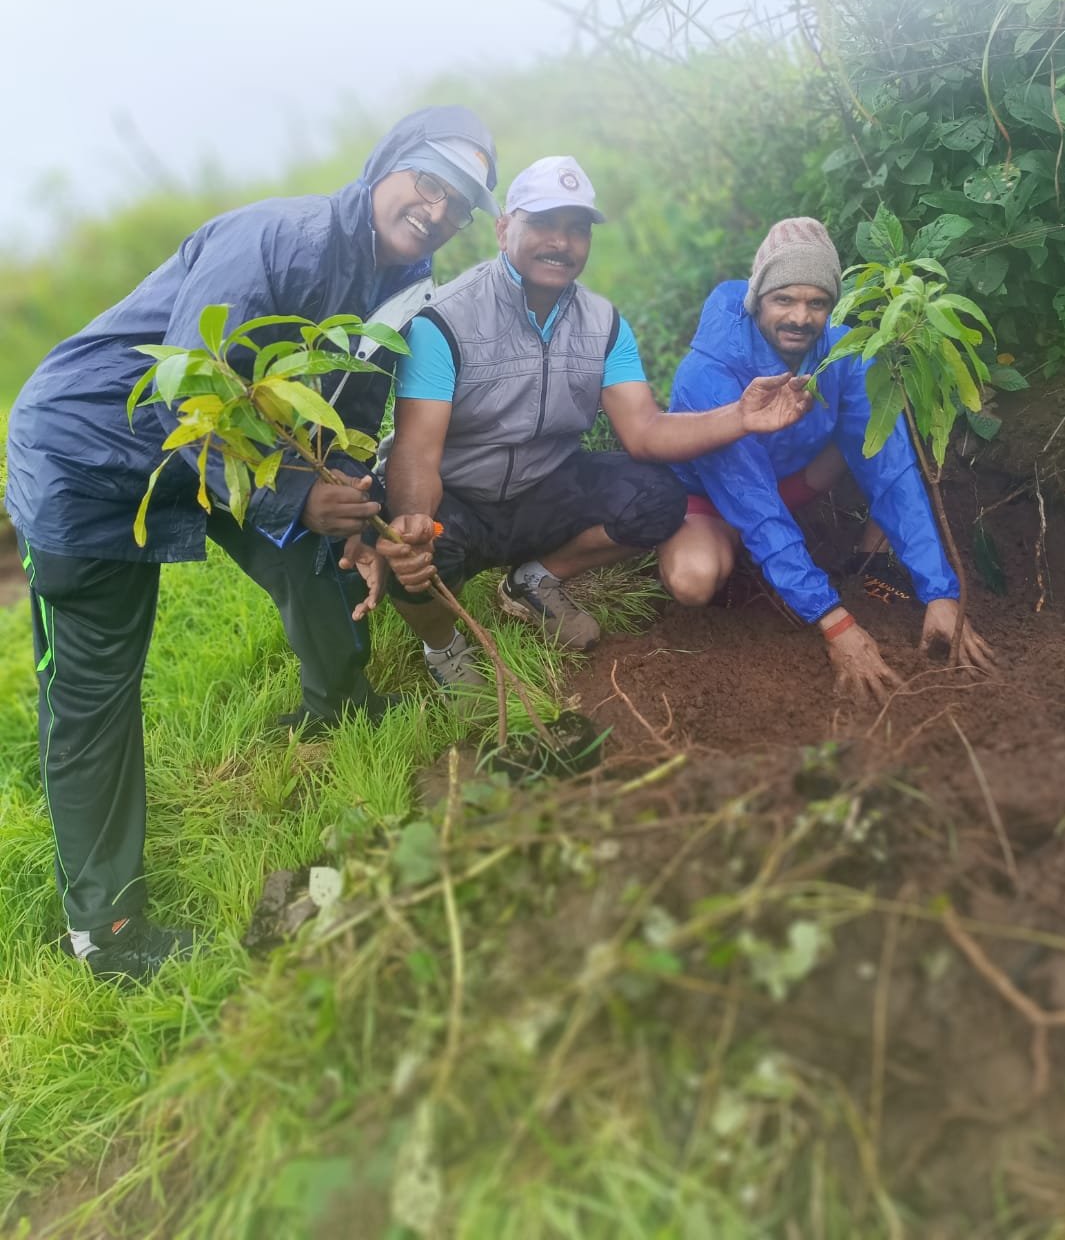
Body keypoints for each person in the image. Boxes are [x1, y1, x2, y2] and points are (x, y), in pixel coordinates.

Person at [5, 106, 499, 982]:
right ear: (386, 166)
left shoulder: (402, 281)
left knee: (325, 542)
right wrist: (293, 494)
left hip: (230, 450)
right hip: (90, 453)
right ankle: (106, 932)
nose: (435, 208)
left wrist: (348, 498)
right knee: (95, 687)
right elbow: (184, 397)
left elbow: (348, 411)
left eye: (457, 203)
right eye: (427, 181)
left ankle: (335, 700)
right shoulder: (278, 240)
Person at [366, 156, 807, 688]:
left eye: (577, 230)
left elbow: (644, 431)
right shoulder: (445, 320)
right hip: (458, 494)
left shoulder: (603, 324)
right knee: (410, 545)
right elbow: (417, 452)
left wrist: (739, 415)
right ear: (505, 228)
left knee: (660, 500)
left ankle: (535, 581)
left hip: (544, 488)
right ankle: (445, 650)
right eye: (545, 224)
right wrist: (414, 518)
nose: (562, 242)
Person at [657, 217, 995, 705]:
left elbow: (891, 468)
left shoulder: (847, 351)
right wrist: (835, 622)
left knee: (881, 432)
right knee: (694, 580)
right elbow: (752, 500)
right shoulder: (707, 373)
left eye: (817, 302)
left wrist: (940, 593)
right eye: (784, 300)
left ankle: (859, 554)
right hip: (711, 496)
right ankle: (729, 546)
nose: (800, 317)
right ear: (757, 301)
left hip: (790, 480)